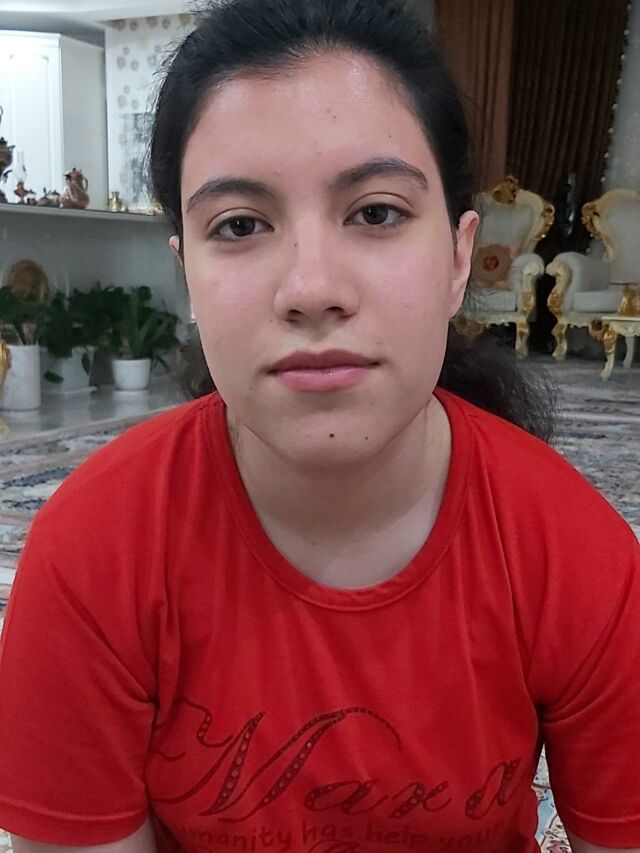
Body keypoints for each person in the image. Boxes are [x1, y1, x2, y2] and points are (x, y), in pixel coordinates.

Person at [0, 1, 638, 852]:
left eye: (376, 212)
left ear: (458, 258)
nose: (311, 287)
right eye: (240, 225)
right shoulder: (92, 554)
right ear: (187, 272)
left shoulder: (577, 556)